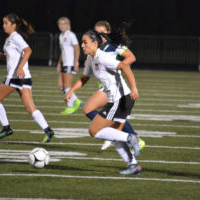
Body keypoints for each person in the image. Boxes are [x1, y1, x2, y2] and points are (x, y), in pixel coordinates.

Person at [65, 29, 142, 175]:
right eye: (82, 42)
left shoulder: (102, 57)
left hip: (120, 100)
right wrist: (71, 90)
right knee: (114, 135)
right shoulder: (90, 59)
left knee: (94, 131)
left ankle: (131, 137)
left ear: (95, 44)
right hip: (120, 100)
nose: (82, 45)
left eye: (85, 42)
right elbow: (85, 77)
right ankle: (133, 165)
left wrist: (134, 88)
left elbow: (124, 66)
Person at [0, 13, 54, 143]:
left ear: (13, 25)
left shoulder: (16, 37)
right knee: (30, 107)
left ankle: (6, 128)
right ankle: (48, 130)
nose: (4, 25)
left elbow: (28, 50)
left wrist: (20, 68)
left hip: (16, 77)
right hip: (23, 77)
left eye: (6, 23)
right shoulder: (9, 39)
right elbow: (8, 60)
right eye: (3, 23)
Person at [83, 20, 146, 151]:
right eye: (96, 32)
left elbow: (131, 58)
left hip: (114, 86)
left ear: (107, 32)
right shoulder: (95, 48)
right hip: (105, 86)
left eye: (101, 32)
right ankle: (121, 135)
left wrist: (116, 67)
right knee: (109, 114)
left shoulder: (114, 45)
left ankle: (119, 135)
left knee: (92, 109)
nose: (98, 34)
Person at [56, 17, 82, 114]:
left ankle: (71, 106)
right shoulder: (61, 36)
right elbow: (63, 51)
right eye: (60, 24)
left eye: (64, 24)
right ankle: (76, 101)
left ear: (67, 25)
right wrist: (59, 63)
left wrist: (76, 62)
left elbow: (77, 48)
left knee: (67, 86)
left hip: (71, 63)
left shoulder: (71, 35)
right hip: (64, 63)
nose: (62, 26)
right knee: (60, 86)